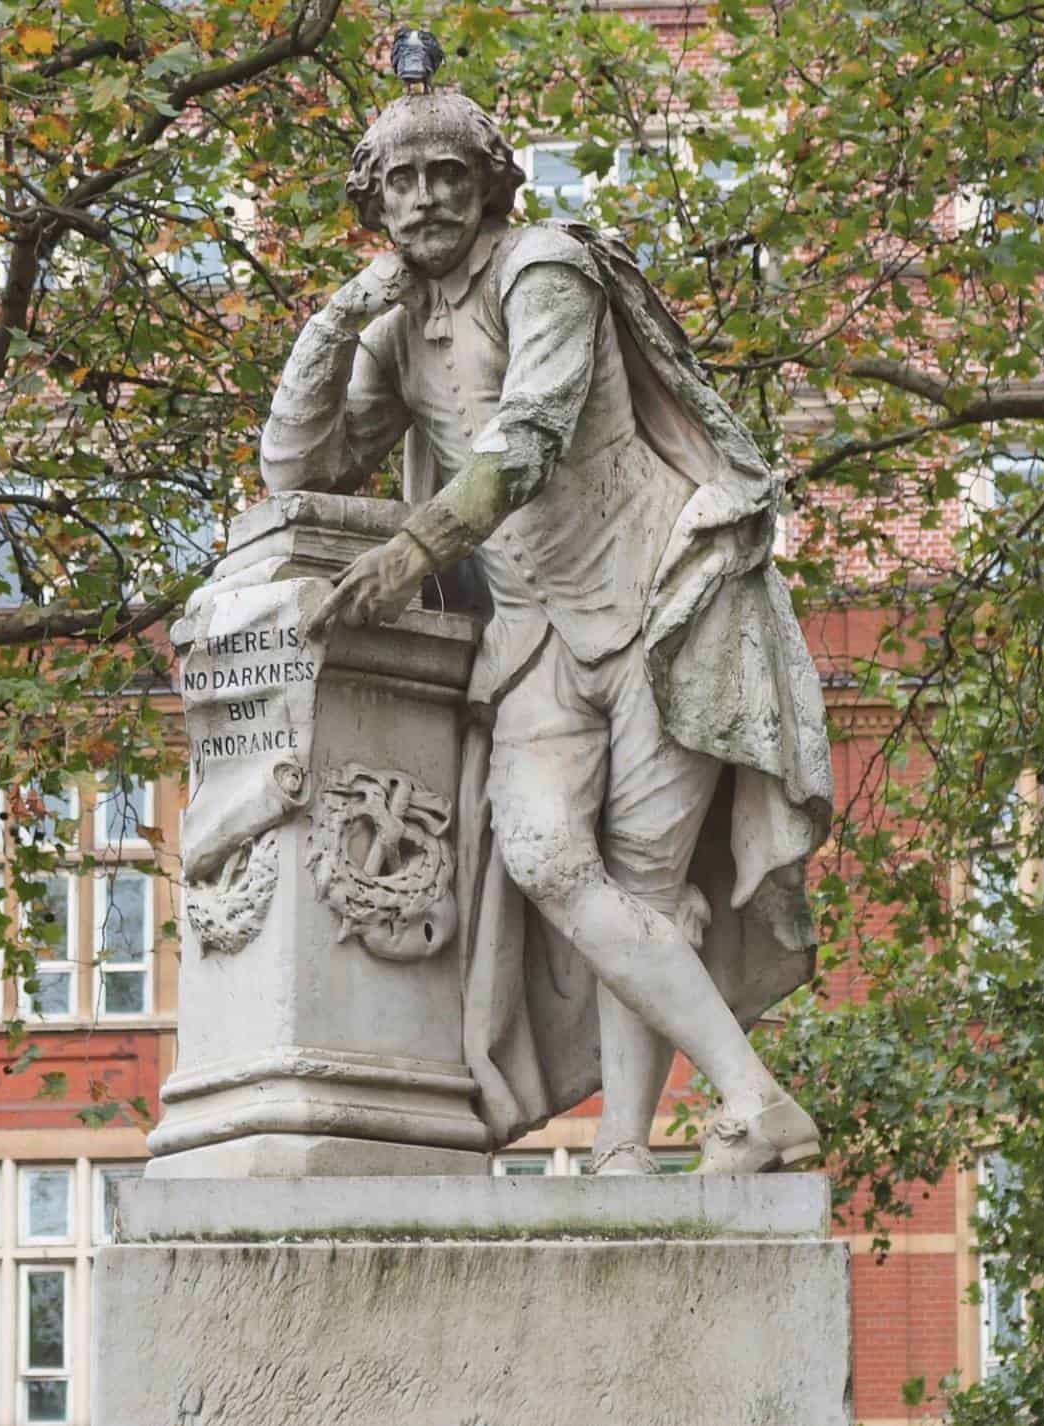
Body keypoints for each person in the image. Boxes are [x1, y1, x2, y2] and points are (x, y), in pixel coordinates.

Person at [261, 86, 833, 1173]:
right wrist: (339, 316)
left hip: (660, 603)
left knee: (645, 881)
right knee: (542, 855)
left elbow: (526, 440)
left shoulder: (545, 269)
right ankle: (756, 1097)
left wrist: (410, 554)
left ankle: (625, 1151)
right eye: (400, 180)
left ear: (489, 184)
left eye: (447, 175)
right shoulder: (396, 326)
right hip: (530, 633)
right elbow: (301, 465)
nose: (425, 198)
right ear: (374, 201)